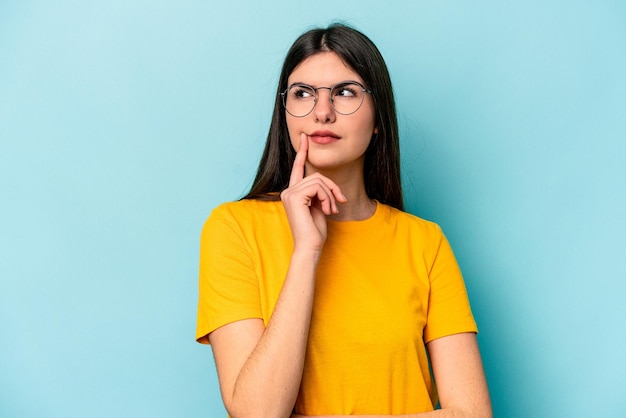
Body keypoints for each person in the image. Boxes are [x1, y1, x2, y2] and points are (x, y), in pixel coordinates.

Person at [196, 23, 492, 418]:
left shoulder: (424, 242)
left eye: (345, 93)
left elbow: (472, 414)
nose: (322, 112)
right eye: (302, 94)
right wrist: (306, 252)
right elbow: (257, 413)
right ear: (284, 114)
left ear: (377, 119)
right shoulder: (232, 228)